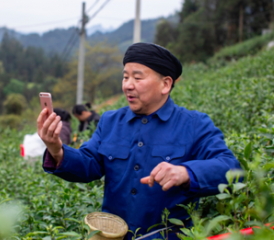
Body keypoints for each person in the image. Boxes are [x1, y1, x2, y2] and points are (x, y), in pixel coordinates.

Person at [37, 43, 241, 240]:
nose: (128, 85)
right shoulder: (110, 121)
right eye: (125, 77)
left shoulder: (194, 124)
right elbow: (88, 164)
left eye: (137, 77)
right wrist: (57, 150)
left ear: (165, 84)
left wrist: (186, 172)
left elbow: (232, 170)